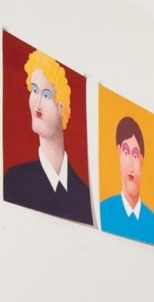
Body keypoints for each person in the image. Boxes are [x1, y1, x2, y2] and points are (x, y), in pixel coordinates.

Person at [3, 49, 93, 225]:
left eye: (46, 95)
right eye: (34, 90)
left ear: (61, 107)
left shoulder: (84, 195)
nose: (37, 104)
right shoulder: (14, 181)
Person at [99, 116, 154, 247]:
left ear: (142, 160)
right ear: (119, 152)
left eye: (135, 155)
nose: (131, 164)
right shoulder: (104, 211)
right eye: (126, 152)